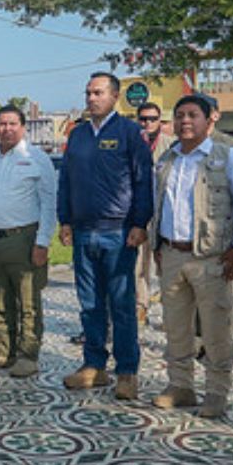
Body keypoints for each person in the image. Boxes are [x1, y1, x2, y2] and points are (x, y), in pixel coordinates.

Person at [150, 94, 233, 418]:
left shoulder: (228, 156)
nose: (184, 121)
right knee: (176, 327)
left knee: (216, 329)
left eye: (192, 114)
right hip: (171, 253)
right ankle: (180, 386)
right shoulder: (168, 159)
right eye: (179, 114)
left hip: (212, 257)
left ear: (209, 119)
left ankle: (216, 392)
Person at [58, 76, 155, 397]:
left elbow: (143, 180)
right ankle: (94, 365)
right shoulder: (79, 135)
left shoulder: (129, 133)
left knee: (122, 304)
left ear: (115, 97)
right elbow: (66, 180)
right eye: (88, 92)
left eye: (98, 93)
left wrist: (140, 222)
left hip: (119, 232)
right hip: (84, 232)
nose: (91, 98)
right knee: (89, 304)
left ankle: (127, 371)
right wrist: (65, 219)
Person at [0, 104, 56, 377]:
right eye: (2, 124)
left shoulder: (37, 159)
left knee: (28, 302)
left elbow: (48, 204)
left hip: (24, 239)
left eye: (12, 124)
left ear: (23, 126)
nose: (7, 129)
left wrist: (42, 242)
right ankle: (3, 350)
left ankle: (28, 355)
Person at [133, 101, 175, 324]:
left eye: (152, 119)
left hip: (163, 215)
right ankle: (141, 306)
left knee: (165, 267)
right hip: (139, 214)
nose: (147, 123)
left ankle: (171, 312)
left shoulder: (171, 147)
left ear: (160, 121)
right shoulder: (130, 143)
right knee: (139, 266)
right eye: (143, 119)